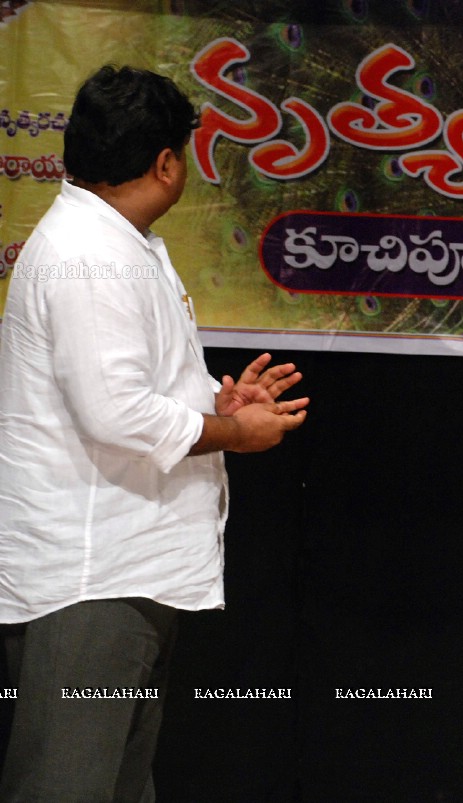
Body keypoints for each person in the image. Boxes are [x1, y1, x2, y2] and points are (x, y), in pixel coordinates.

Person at [0, 65, 308, 801]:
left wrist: (217, 398)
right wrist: (232, 430)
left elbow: (142, 385)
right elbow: (117, 413)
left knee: (119, 786)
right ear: (166, 162)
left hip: (127, 567)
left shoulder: (118, 240)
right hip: (91, 580)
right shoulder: (90, 257)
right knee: (67, 788)